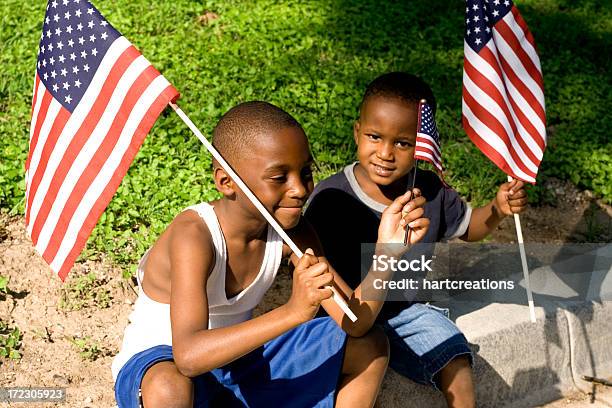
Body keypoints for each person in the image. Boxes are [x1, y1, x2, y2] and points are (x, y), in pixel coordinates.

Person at [111, 101, 430, 407]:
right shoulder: (194, 235)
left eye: (305, 172)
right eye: (279, 177)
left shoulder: (294, 232)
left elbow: (355, 322)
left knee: (369, 346)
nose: (300, 189)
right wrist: (293, 312)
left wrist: (387, 254)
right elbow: (188, 356)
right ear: (226, 181)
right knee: (169, 388)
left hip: (237, 366)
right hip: (162, 366)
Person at [305, 72, 528, 408]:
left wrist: (496, 209)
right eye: (374, 136)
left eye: (403, 142)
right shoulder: (332, 198)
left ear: (422, 145)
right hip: (344, 311)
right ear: (356, 132)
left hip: (406, 311)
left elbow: (469, 229)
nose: (385, 152)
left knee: (455, 359)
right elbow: (322, 280)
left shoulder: (428, 191)